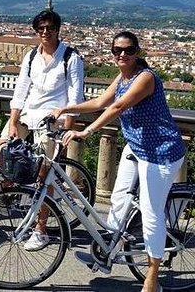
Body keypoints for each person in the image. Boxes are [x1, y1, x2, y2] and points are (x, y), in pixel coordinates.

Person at [53, 31, 185, 292]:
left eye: (128, 50)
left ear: (138, 51)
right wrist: (67, 109)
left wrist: (86, 131)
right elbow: (102, 101)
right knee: (119, 199)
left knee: (151, 214)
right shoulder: (123, 76)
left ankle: (152, 277)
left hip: (161, 152)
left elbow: (117, 107)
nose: (122, 54)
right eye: (117, 50)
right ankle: (107, 253)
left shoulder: (145, 78)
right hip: (136, 147)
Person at [0, 9, 84, 250]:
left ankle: (41, 229)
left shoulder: (71, 58)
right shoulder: (31, 56)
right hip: (28, 114)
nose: (44, 32)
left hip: (52, 120)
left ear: (58, 29)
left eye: (49, 28)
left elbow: (75, 96)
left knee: (43, 174)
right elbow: (21, 90)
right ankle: (7, 195)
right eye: (40, 29)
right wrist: (12, 121)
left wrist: (65, 131)